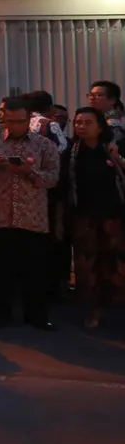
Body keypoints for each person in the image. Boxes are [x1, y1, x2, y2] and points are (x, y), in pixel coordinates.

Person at [0, 96, 61, 330]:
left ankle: (36, 315)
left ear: (29, 118)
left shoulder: (44, 145)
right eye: (9, 121)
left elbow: (53, 179)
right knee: (0, 270)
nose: (14, 126)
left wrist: (28, 172)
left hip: (32, 218)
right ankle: (0, 314)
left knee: (35, 271)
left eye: (19, 121)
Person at [63, 107, 125, 329]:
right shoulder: (71, 153)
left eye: (88, 122)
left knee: (114, 264)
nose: (81, 126)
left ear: (100, 127)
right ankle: (94, 309)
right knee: (87, 266)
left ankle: (111, 306)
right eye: (78, 122)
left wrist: (118, 159)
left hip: (113, 217)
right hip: (84, 217)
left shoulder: (112, 149)